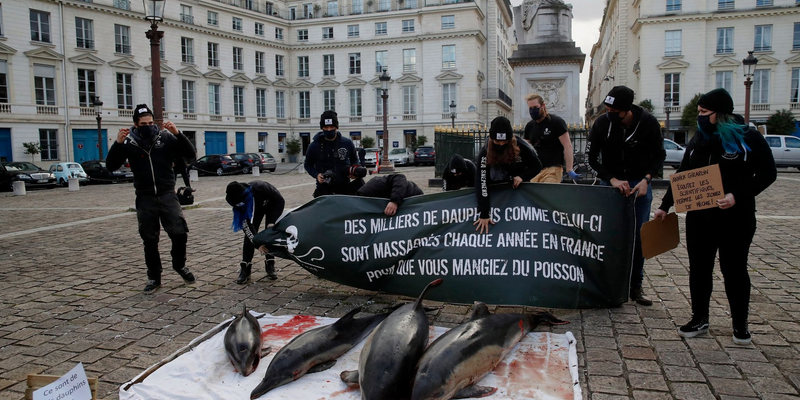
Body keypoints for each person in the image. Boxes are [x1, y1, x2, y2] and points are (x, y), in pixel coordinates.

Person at [654, 88, 776, 345]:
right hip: (700, 217)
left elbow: (768, 174)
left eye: (703, 112)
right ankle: (700, 317)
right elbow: (684, 175)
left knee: (734, 269)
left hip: (735, 218)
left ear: (719, 113)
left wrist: (737, 195)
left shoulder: (748, 138)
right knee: (699, 269)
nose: (699, 116)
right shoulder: (698, 139)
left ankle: (740, 324)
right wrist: (665, 206)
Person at [587, 85, 665, 306]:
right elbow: (591, 159)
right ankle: (608, 283)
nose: (609, 113)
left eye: (614, 110)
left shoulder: (648, 123)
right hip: (610, 183)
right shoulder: (602, 124)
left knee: (639, 237)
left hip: (639, 184)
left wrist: (646, 179)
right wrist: (610, 179)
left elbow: (659, 155)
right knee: (608, 235)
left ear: (627, 110)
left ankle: (635, 285)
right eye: (607, 109)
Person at [106, 104, 197, 294]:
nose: (147, 126)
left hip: (167, 194)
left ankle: (179, 265)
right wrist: (118, 144)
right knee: (149, 239)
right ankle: (154, 276)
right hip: (145, 196)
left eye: (149, 122)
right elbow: (111, 166)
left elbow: (190, 154)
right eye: (143, 123)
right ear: (135, 124)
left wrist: (178, 134)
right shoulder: (129, 143)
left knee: (179, 233)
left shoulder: (165, 138)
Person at [474, 116, 542, 234]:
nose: (501, 145)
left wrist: (522, 176)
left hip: (518, 188)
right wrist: (484, 213)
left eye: (504, 142)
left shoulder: (522, 146)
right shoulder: (485, 152)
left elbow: (537, 166)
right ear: (491, 138)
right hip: (495, 187)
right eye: (497, 142)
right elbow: (481, 182)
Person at [226, 181, 286, 284]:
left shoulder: (262, 188)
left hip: (272, 204)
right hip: (253, 210)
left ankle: (270, 263)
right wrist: (257, 244)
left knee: (269, 232)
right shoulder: (237, 200)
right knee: (249, 236)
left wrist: (272, 222)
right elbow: (247, 226)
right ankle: (245, 267)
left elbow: (280, 201)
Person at [524, 94, 580, 183]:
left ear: (543, 106)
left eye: (535, 107)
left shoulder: (556, 122)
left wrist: (569, 169)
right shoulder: (530, 126)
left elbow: (567, 145)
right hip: (535, 170)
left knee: (547, 195)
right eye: (530, 108)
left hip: (552, 169)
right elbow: (526, 149)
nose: (533, 110)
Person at [304, 110, 361, 197]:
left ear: (336, 127)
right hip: (323, 189)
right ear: (322, 128)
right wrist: (316, 175)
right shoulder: (314, 145)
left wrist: (353, 171)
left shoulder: (347, 143)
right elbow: (307, 165)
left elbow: (354, 159)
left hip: (344, 188)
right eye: (326, 128)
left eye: (331, 127)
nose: (329, 130)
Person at [356, 173, 423, 216]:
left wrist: (394, 201)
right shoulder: (365, 199)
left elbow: (400, 177)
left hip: (413, 196)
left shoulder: (373, 186)